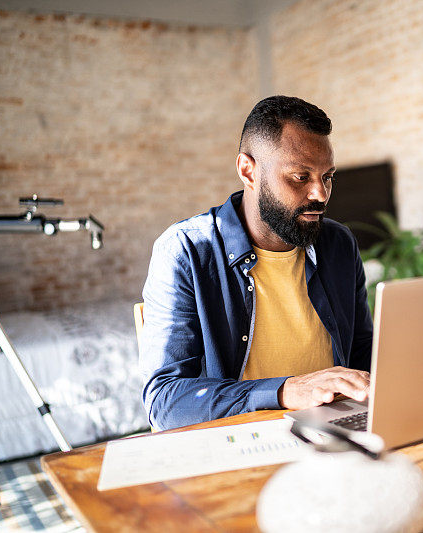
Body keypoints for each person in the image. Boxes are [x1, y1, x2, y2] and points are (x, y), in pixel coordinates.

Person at [139, 96, 372, 430]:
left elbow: (365, 354)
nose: (320, 194)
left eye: (328, 176)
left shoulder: (338, 244)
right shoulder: (187, 251)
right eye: (299, 176)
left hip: (335, 435)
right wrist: (284, 391)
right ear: (248, 170)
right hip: (239, 441)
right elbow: (165, 402)